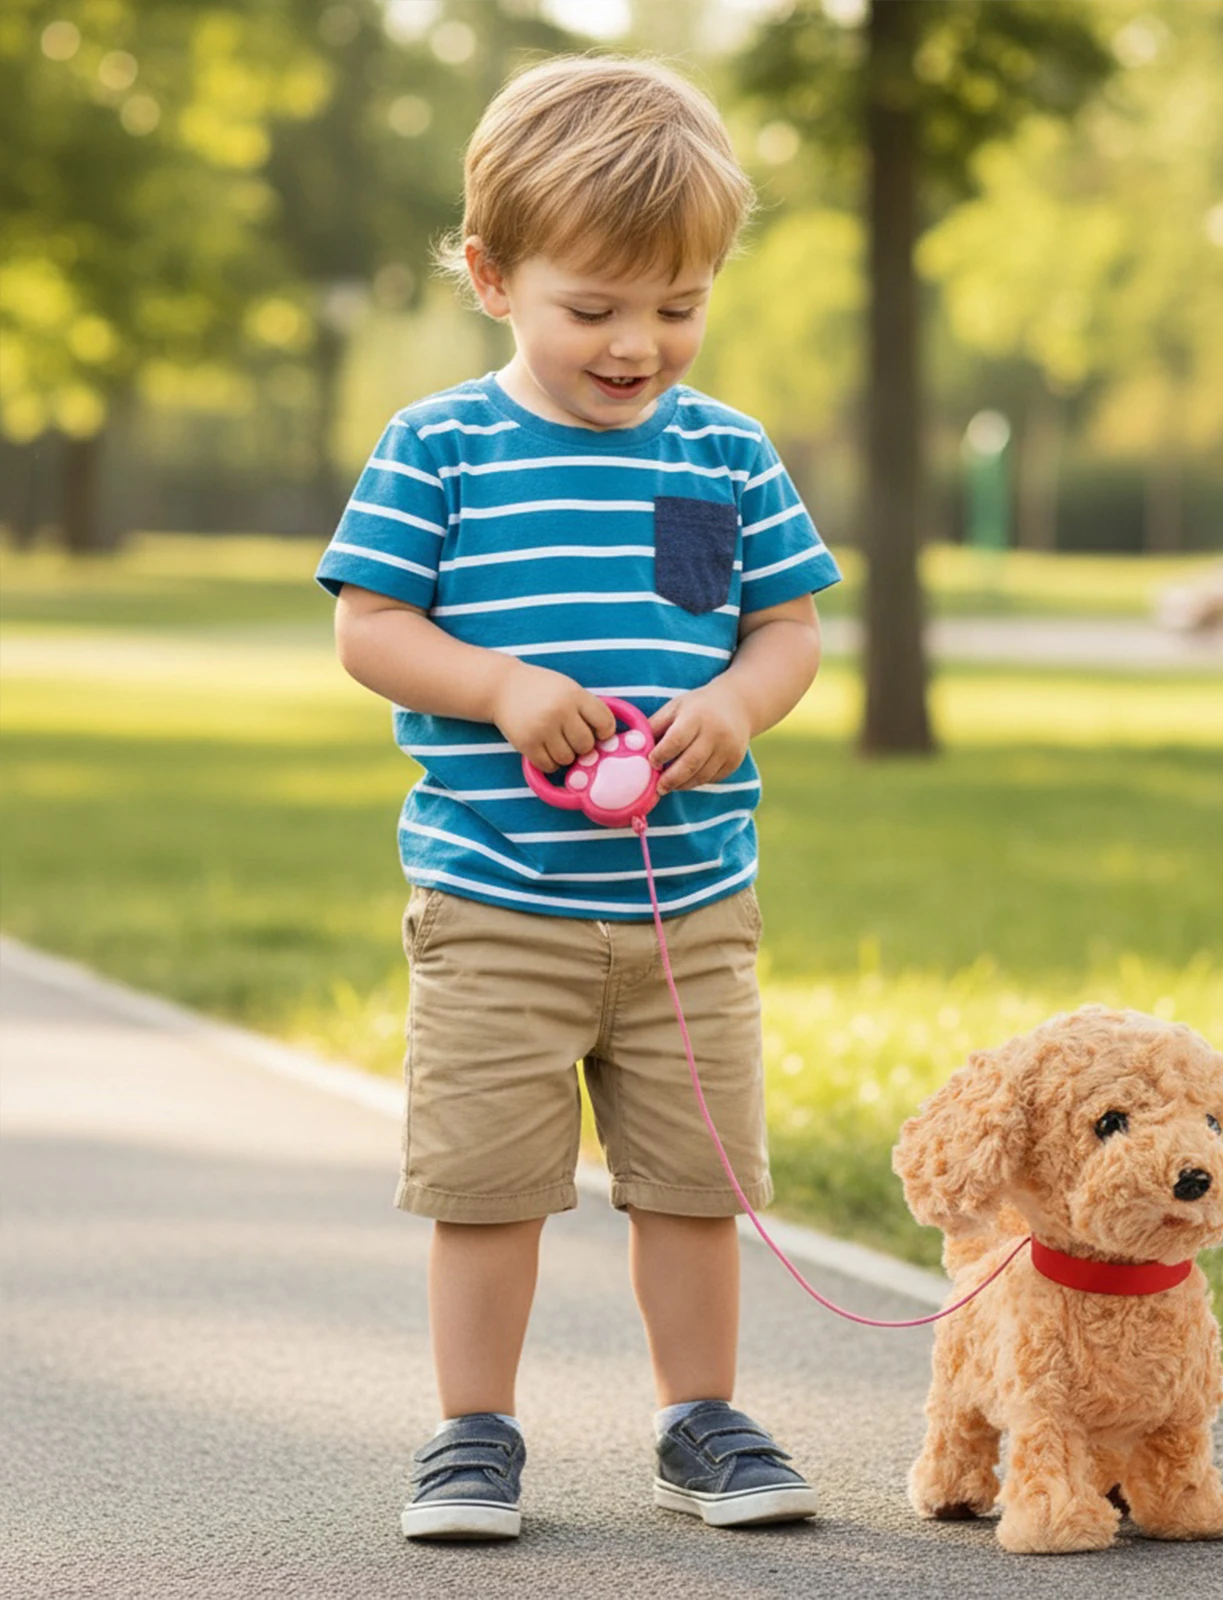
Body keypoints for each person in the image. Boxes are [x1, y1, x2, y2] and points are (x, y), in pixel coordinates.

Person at [315, 55, 841, 1541]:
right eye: (595, 308)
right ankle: (472, 1434)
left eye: (678, 307)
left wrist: (736, 704)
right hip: (496, 901)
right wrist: (494, 685)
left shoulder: (724, 454)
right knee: (488, 1185)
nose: (639, 345)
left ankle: (702, 1420)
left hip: (689, 905)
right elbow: (367, 626)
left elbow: (786, 628)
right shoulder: (442, 446)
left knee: (693, 1182)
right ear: (493, 276)